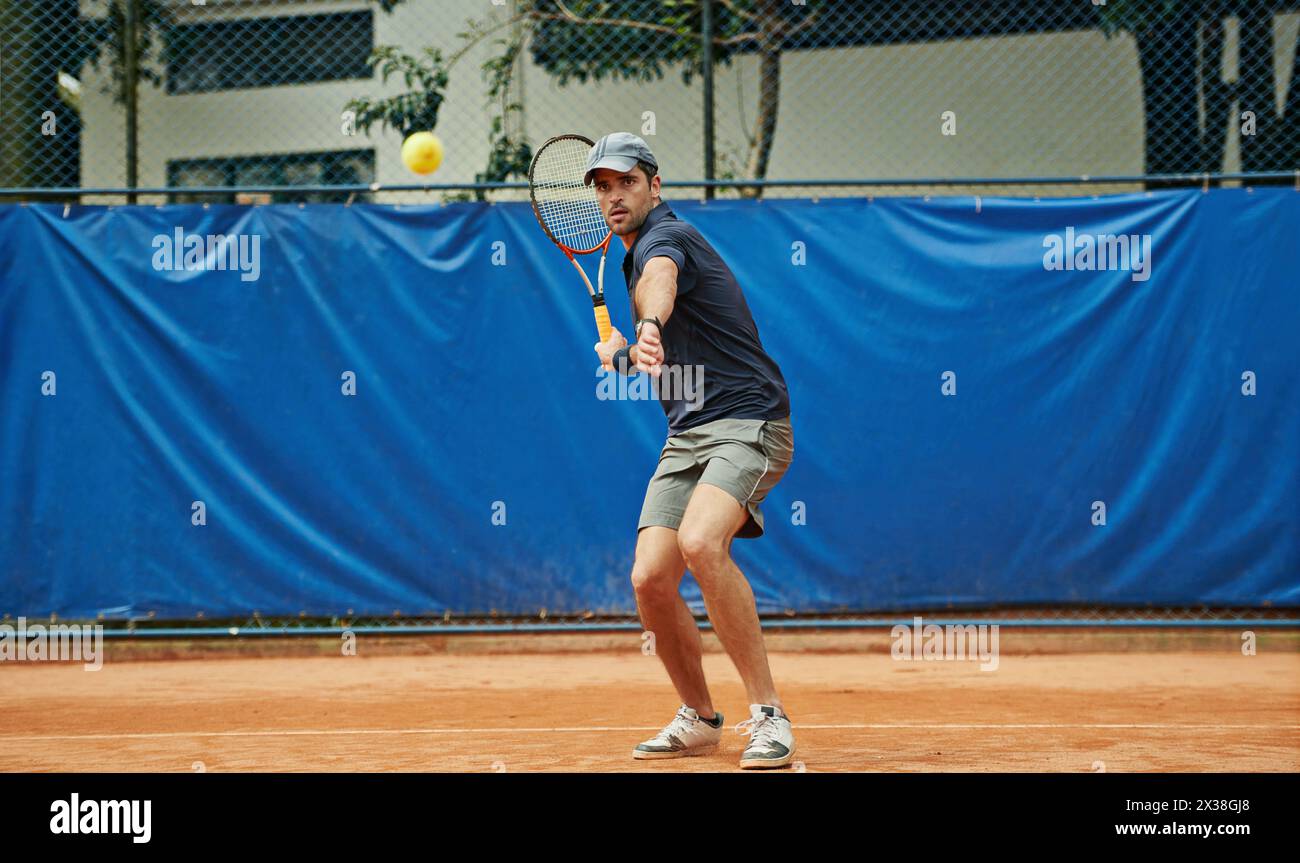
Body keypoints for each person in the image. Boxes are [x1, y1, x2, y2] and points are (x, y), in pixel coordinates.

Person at [585, 132, 797, 769]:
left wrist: (646, 323)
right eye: (602, 186)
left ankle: (770, 717)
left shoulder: (664, 239)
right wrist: (625, 354)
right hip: (688, 436)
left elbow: (662, 280)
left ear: (655, 184)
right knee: (650, 578)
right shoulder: (629, 255)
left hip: (751, 422)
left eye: (626, 181)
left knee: (702, 542)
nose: (614, 195)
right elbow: (670, 360)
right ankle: (701, 719)